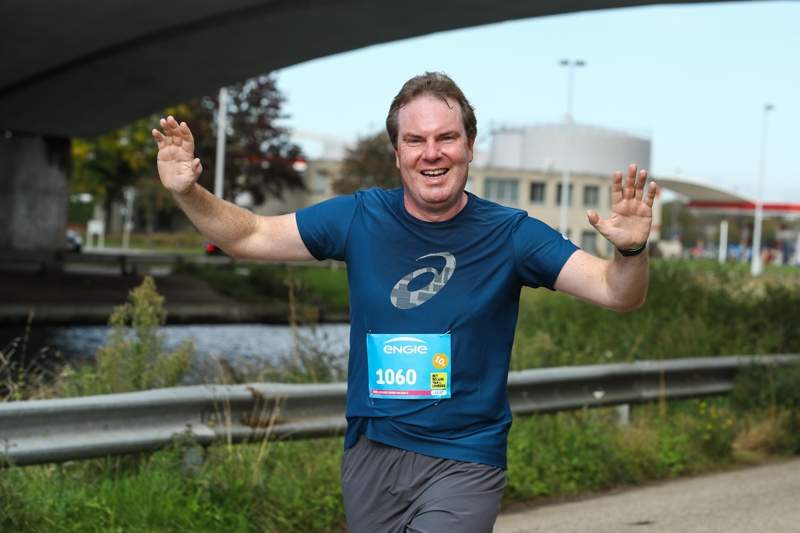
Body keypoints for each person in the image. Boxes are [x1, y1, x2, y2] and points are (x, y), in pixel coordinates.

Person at [152, 72, 658, 532]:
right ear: (397, 152)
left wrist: (632, 250)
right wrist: (189, 192)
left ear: (470, 147)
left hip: (466, 456)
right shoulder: (359, 218)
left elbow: (617, 292)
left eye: (446, 138)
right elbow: (251, 236)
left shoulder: (512, 235)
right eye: (415, 140)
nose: (431, 153)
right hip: (372, 453)